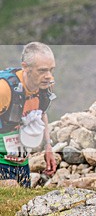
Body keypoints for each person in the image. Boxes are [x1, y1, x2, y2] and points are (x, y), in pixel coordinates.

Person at [0, 42, 58, 186]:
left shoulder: (45, 87)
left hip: (22, 163)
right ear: (25, 67)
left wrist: (48, 147)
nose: (49, 76)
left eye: (51, 70)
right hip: (1, 162)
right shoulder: (4, 89)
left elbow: (41, 113)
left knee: (22, 206)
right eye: (42, 70)